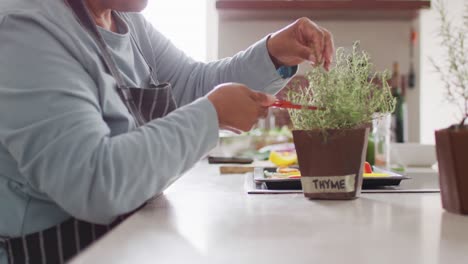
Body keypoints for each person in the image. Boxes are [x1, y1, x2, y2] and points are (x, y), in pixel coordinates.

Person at [0, 0, 334, 262]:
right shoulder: (27, 31)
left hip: (124, 242)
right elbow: (93, 181)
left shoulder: (125, 20)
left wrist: (273, 53)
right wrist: (212, 114)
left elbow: (193, 83)